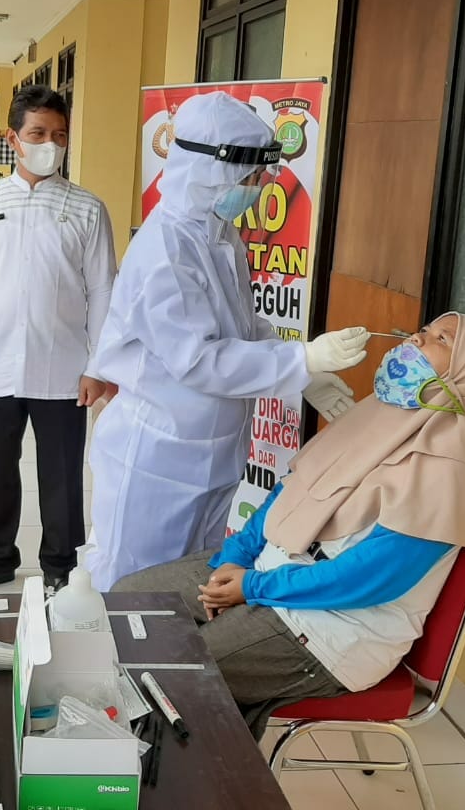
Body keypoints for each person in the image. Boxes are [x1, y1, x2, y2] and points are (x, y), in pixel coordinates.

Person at [116, 313, 465, 736]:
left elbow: (367, 580)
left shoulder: (452, 471)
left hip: (331, 629)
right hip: (270, 570)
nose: (418, 337)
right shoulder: (373, 419)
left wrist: (251, 588)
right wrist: (234, 559)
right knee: (126, 602)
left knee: (169, 675)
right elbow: (286, 495)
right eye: (426, 329)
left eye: (441, 339)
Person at [84, 92, 368, 591]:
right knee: (134, 589)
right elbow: (200, 360)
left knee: (187, 584)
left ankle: (168, 670)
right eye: (251, 176)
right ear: (210, 169)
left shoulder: (217, 233)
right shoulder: (166, 249)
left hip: (212, 453)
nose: (258, 188)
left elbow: (244, 324)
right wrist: (299, 360)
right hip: (159, 456)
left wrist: (304, 374)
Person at [0, 87, 117, 596]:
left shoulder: (87, 208)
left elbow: (104, 290)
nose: (50, 144)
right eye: (38, 134)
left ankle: (61, 563)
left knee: (62, 473)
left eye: (59, 135)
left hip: (64, 367)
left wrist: (98, 364)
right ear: (13, 140)